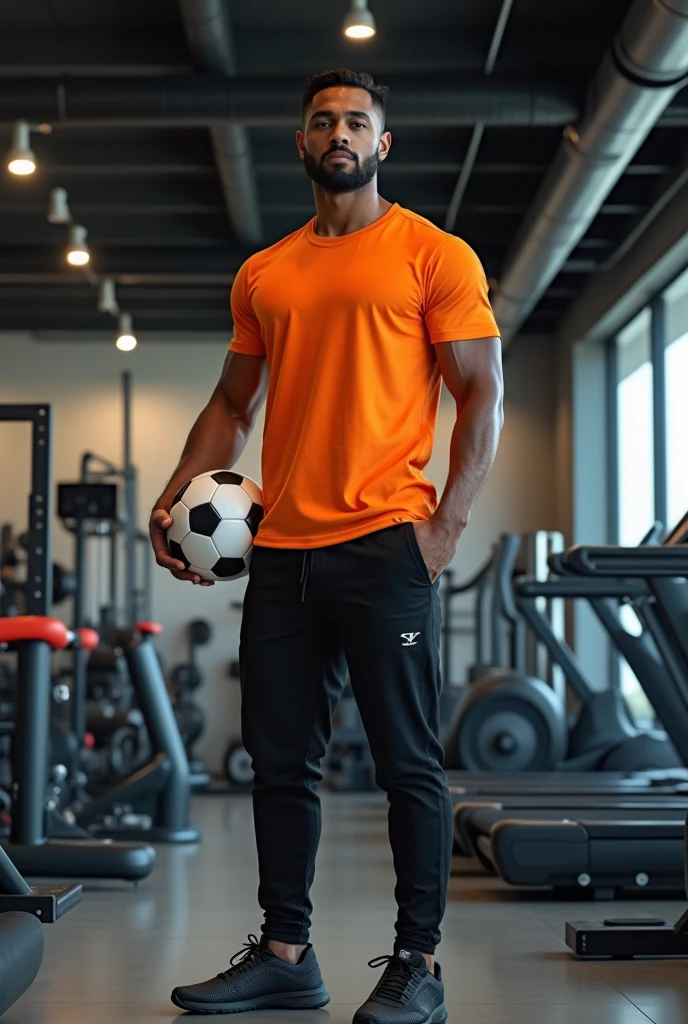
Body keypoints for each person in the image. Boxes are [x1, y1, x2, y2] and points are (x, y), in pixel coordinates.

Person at [150, 68, 503, 1024]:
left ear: (382, 144)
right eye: (322, 120)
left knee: (407, 764)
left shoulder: (434, 255)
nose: (338, 131)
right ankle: (284, 953)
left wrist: (443, 531)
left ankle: (418, 967)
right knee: (279, 762)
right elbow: (233, 405)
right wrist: (180, 493)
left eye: (356, 121)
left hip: (388, 542)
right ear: (301, 142)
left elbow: (483, 393)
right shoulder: (266, 271)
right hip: (282, 552)